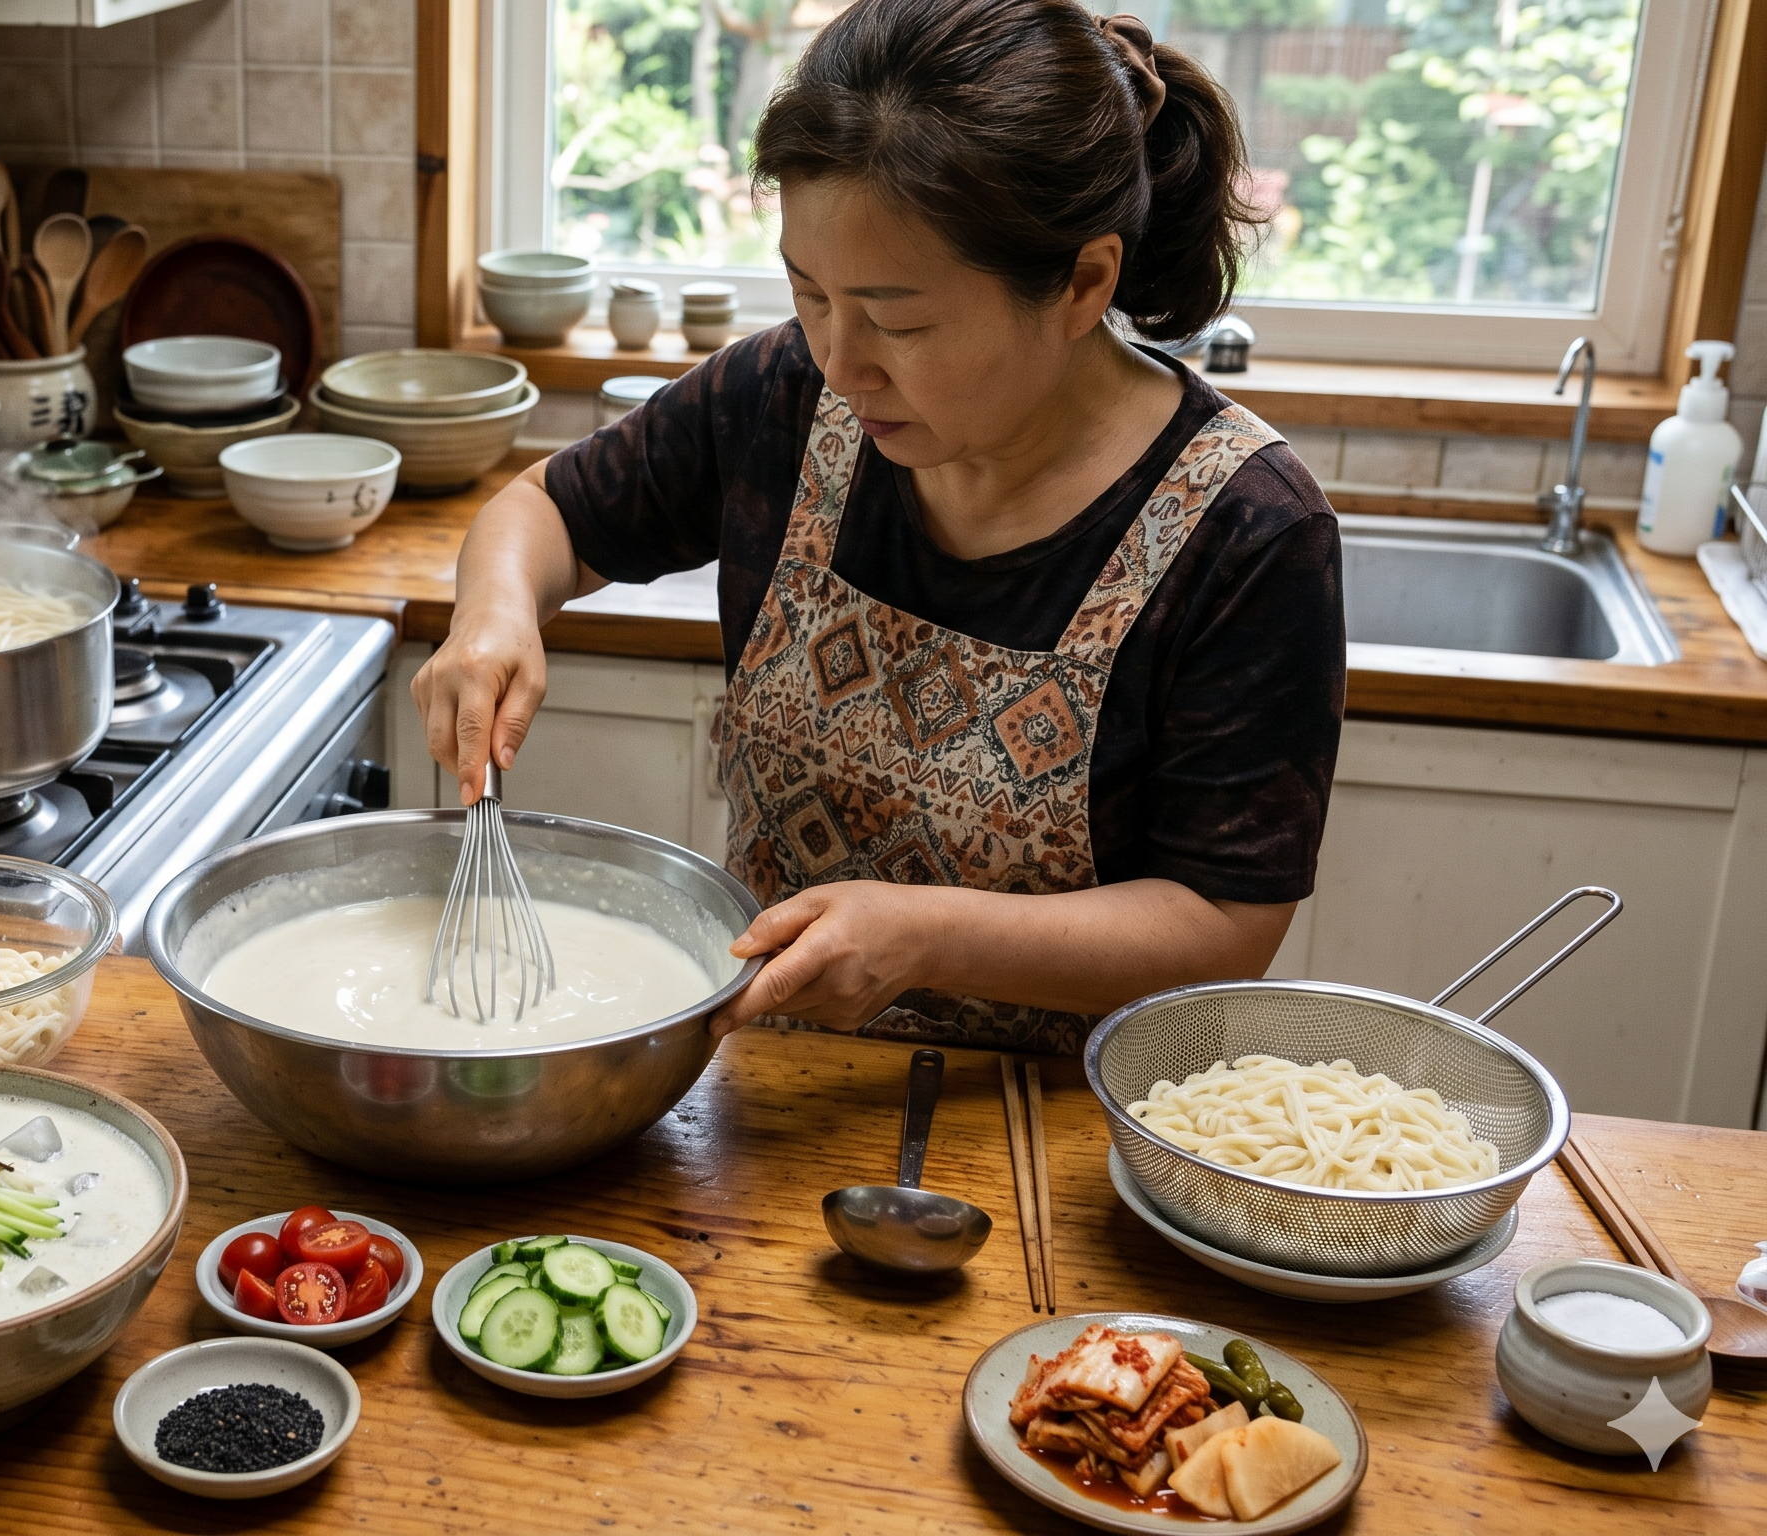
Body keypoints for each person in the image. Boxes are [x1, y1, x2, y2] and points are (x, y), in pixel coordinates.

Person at [412, 0, 1345, 1051]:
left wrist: (925, 936)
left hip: (1053, 1137)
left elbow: (1222, 925)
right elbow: (546, 511)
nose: (840, 364)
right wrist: (491, 616)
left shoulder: (1245, 533)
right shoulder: (778, 394)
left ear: (1084, 281)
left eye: (899, 322)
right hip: (761, 1097)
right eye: (808, 293)